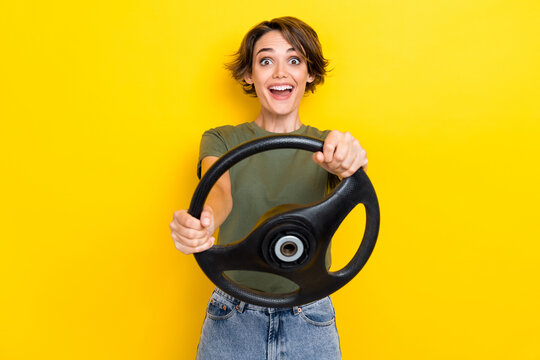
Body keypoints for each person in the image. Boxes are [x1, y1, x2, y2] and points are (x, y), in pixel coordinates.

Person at [169, 16, 368, 360]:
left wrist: (349, 158)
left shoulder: (327, 147)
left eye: (294, 60)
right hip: (232, 315)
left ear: (309, 74)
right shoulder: (221, 139)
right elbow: (219, 191)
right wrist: (203, 222)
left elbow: (349, 166)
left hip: (311, 315)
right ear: (249, 75)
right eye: (265, 60)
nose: (280, 72)